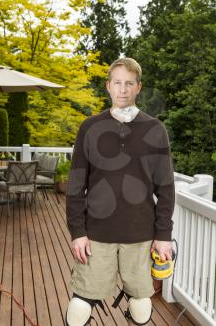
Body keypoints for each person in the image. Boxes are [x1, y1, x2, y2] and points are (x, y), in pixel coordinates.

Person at [66, 57, 175, 326]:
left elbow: (166, 188)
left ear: (138, 87)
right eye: (117, 83)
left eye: (129, 83)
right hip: (96, 234)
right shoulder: (90, 128)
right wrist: (77, 232)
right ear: (108, 86)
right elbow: (76, 185)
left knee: (141, 307)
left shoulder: (155, 129)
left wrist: (163, 235)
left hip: (140, 234)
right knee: (79, 308)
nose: (123, 89)